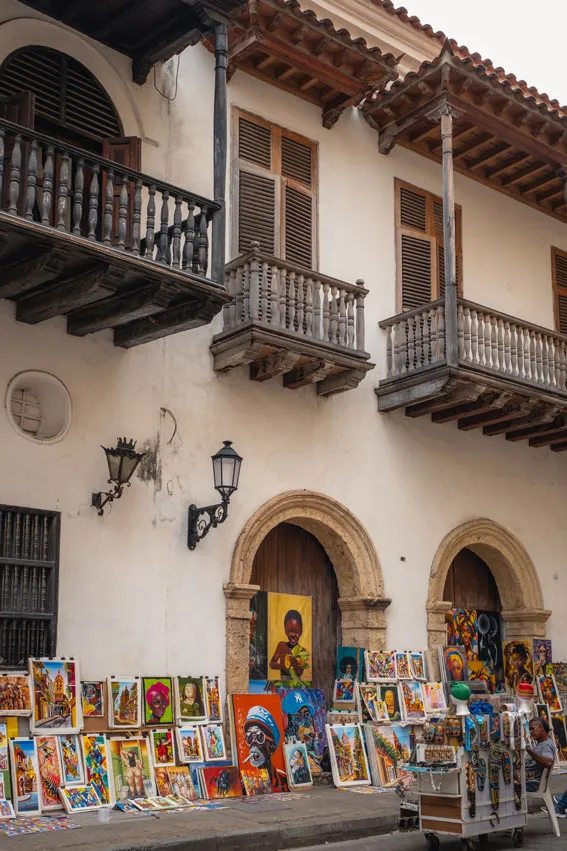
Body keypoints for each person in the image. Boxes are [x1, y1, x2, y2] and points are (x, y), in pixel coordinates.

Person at [243, 704, 287, 791]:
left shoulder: (284, 782)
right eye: (249, 737)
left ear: (272, 746)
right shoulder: (244, 786)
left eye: (259, 737)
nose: (253, 743)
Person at [270, 609, 309, 682]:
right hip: (283, 682)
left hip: (296, 684)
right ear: (285, 631)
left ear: (301, 632)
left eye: (296, 631)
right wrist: (284, 666)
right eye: (290, 631)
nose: (293, 635)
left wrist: (295, 663)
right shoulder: (282, 646)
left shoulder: (302, 651)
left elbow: (300, 673)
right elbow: (272, 664)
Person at [525, 718, 555, 792]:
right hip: (529, 780)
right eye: (530, 730)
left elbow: (548, 763)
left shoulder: (546, 745)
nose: (531, 732)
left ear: (541, 728)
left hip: (532, 783)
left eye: (532, 729)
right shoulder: (542, 742)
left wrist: (529, 750)